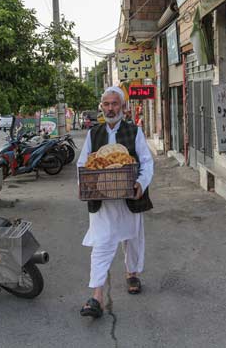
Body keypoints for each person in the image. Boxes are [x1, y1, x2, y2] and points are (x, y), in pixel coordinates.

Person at [77, 86, 154, 319]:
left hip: (128, 196)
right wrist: (84, 186)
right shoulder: (93, 133)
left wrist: (141, 183)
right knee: (102, 244)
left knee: (132, 237)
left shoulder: (134, 131)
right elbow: (82, 165)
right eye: (107, 104)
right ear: (102, 107)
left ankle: (132, 273)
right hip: (102, 200)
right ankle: (97, 296)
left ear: (123, 107)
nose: (111, 109)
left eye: (115, 104)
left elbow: (147, 161)